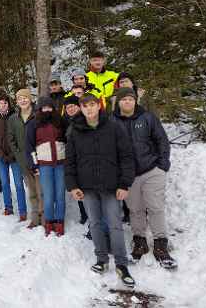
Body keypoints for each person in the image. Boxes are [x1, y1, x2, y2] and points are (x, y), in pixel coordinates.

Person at [65, 93, 136, 287]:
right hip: (87, 187)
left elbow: (127, 156)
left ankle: (122, 264)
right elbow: (70, 161)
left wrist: (124, 184)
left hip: (111, 186)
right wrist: (72, 186)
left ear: (99, 106)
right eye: (85, 105)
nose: (89, 108)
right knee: (95, 224)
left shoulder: (113, 126)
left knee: (114, 224)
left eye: (92, 105)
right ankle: (102, 259)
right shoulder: (75, 130)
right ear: (81, 108)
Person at [111, 88, 177, 269]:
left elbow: (162, 141)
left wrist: (162, 165)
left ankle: (160, 244)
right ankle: (139, 241)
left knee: (155, 206)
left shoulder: (147, 118)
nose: (127, 102)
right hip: (128, 175)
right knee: (135, 209)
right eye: (123, 99)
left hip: (151, 170)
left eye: (130, 99)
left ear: (135, 100)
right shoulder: (111, 121)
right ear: (118, 102)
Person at [26, 97, 67, 236]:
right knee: (48, 196)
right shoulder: (34, 123)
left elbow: (67, 141)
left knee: (60, 195)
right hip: (44, 165)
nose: (47, 110)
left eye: (50, 107)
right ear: (40, 109)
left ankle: (60, 222)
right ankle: (49, 222)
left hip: (61, 163)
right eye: (44, 108)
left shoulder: (60, 121)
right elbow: (29, 146)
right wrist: (34, 164)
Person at [7, 89, 43, 229]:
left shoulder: (38, 115)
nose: (23, 100)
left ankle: (45, 218)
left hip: (38, 159)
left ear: (30, 99)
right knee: (32, 192)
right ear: (17, 101)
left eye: (25, 98)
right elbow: (11, 139)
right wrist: (19, 156)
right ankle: (34, 219)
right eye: (20, 98)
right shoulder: (13, 118)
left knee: (41, 191)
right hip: (23, 161)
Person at [0, 95, 27, 220]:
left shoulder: (16, 117)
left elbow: (19, 137)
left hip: (14, 156)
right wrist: (0, 154)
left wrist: (13, 154)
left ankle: (22, 211)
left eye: (5, 103)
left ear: (8, 105)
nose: (3, 105)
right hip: (0, 157)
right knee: (5, 183)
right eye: (0, 103)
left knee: (18, 183)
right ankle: (8, 208)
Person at [63, 95, 88, 225]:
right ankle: (84, 215)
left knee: (88, 193)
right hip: (76, 161)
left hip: (85, 161)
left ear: (78, 106)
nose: (70, 109)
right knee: (78, 189)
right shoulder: (70, 121)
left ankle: (92, 221)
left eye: (72, 106)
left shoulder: (84, 119)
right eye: (68, 107)